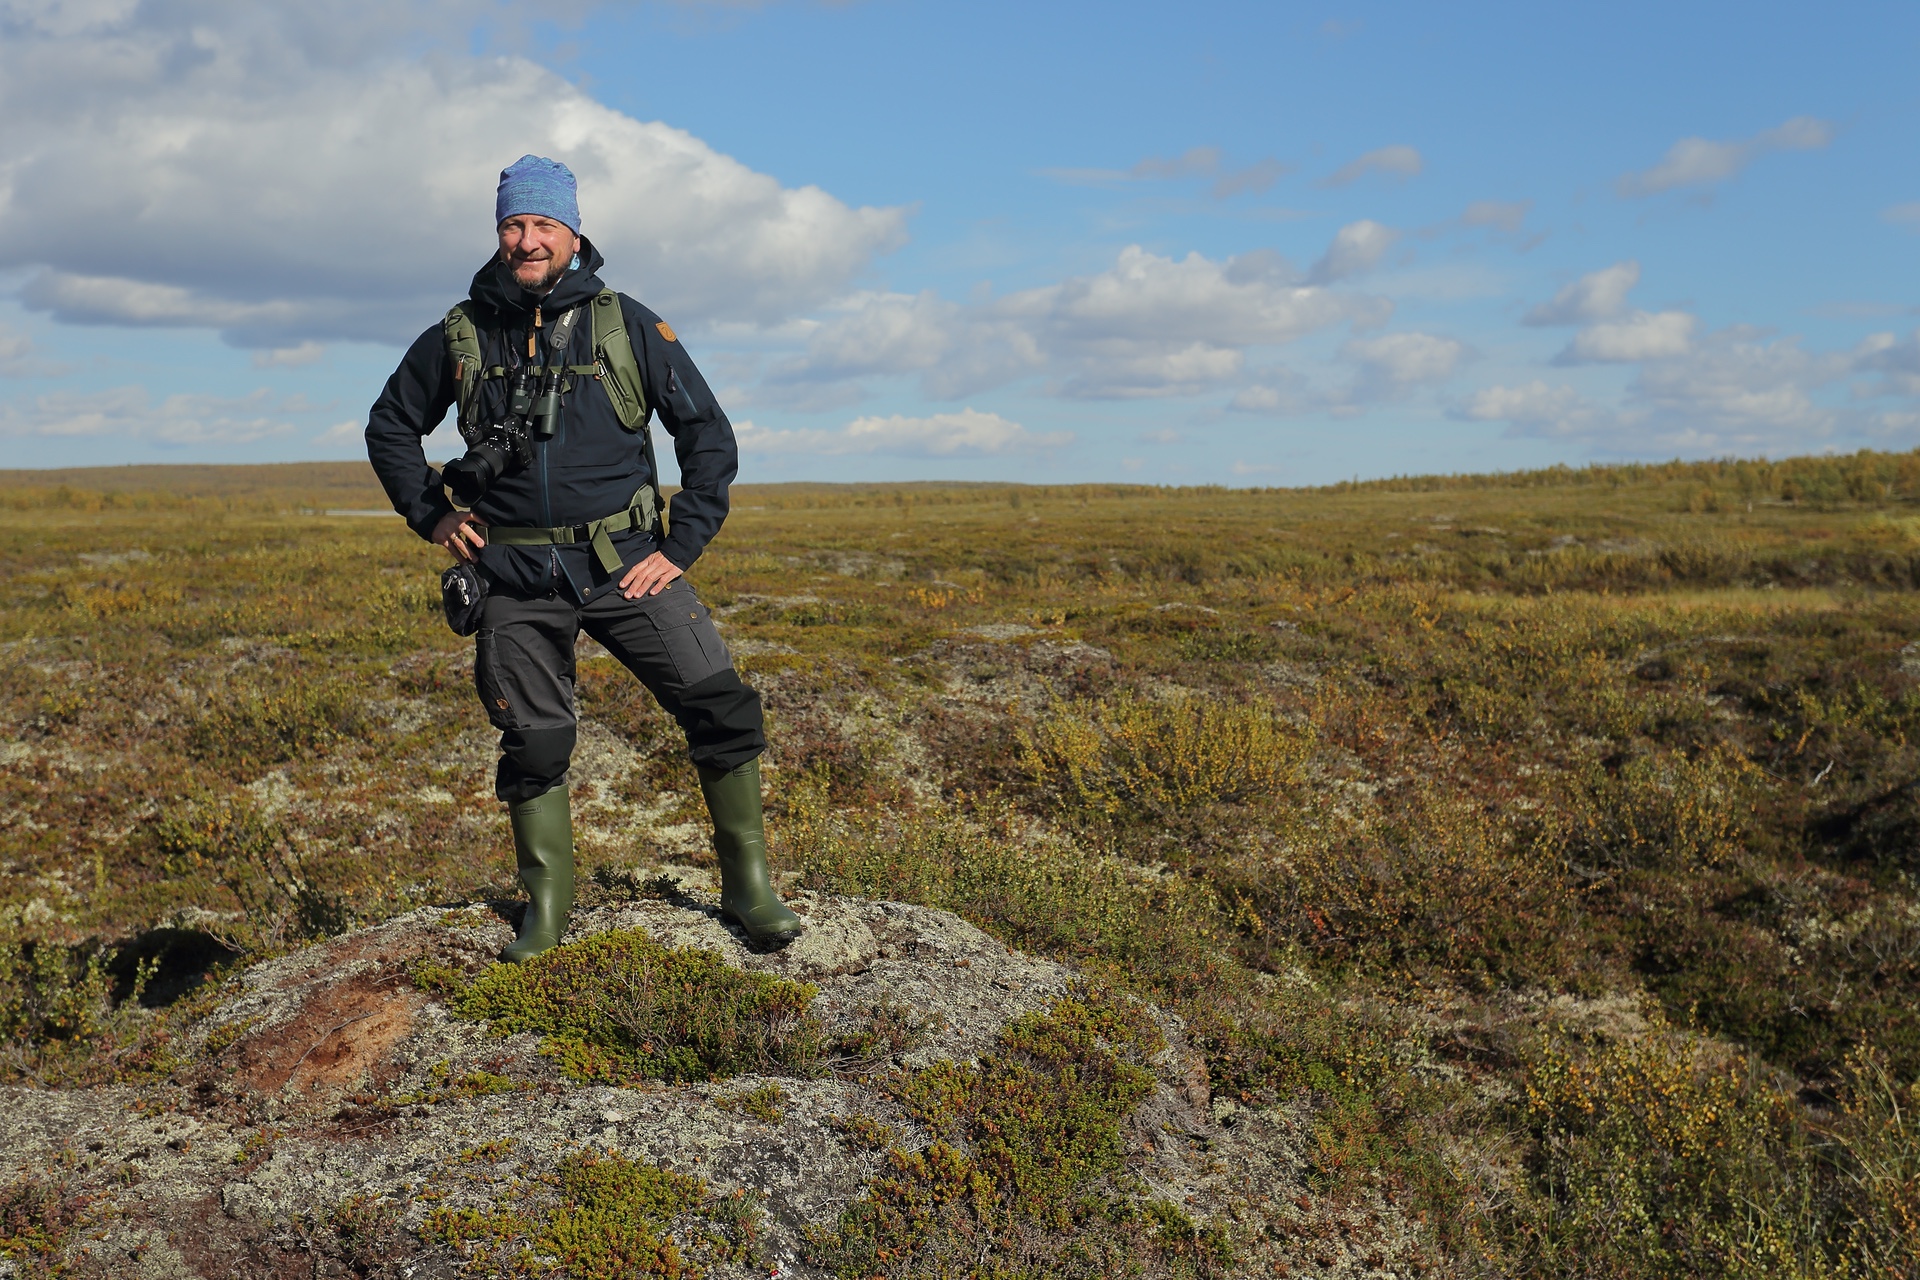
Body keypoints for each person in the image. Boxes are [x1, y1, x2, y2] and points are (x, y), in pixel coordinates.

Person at [364, 154, 801, 961]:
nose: (528, 241)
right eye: (513, 224)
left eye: (543, 226)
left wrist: (681, 545)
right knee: (533, 746)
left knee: (722, 708)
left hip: (626, 562)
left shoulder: (626, 323)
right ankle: (548, 912)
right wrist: (431, 515)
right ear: (499, 231)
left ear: (573, 232)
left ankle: (748, 888)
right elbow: (390, 426)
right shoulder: (460, 332)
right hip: (512, 577)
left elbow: (707, 433)